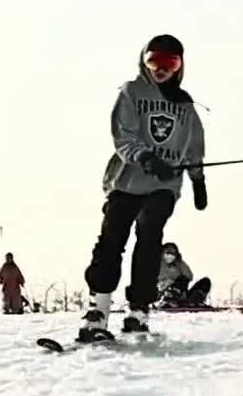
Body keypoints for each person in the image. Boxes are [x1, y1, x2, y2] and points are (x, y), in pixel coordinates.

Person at [78, 34, 207, 341]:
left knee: (150, 240)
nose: (161, 69)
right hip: (127, 180)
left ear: (179, 66)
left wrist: (198, 179)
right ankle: (98, 309)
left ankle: (139, 310)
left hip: (164, 185)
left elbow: (194, 145)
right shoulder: (132, 92)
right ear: (144, 60)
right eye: (154, 61)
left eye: (169, 63)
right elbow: (123, 133)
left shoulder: (184, 104)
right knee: (112, 241)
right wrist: (145, 157)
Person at [157, 242, 212, 307]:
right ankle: (168, 302)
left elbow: (189, 276)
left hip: (180, 294)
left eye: (172, 255)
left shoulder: (178, 264)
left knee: (205, 282)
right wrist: (166, 283)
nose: (170, 257)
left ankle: (194, 301)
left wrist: (180, 263)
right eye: (167, 254)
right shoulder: (157, 264)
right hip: (163, 294)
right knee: (177, 283)